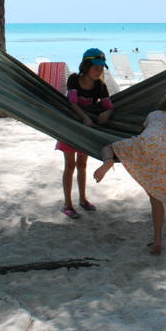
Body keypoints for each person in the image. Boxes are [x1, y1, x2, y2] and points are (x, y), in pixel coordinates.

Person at [93, 89, 166, 255]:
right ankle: (157, 240)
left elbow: (145, 128)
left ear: (163, 101)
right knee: (157, 198)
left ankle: (108, 161)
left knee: (108, 147)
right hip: (162, 157)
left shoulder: (153, 114)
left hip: (143, 145)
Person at [56, 48, 114, 219]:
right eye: (96, 67)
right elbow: (72, 102)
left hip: (86, 131)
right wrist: (85, 118)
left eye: (102, 68)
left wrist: (106, 113)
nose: (99, 71)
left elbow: (109, 106)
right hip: (70, 127)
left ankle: (83, 199)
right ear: (86, 66)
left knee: (82, 165)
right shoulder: (74, 80)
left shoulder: (100, 86)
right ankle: (67, 205)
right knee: (70, 166)